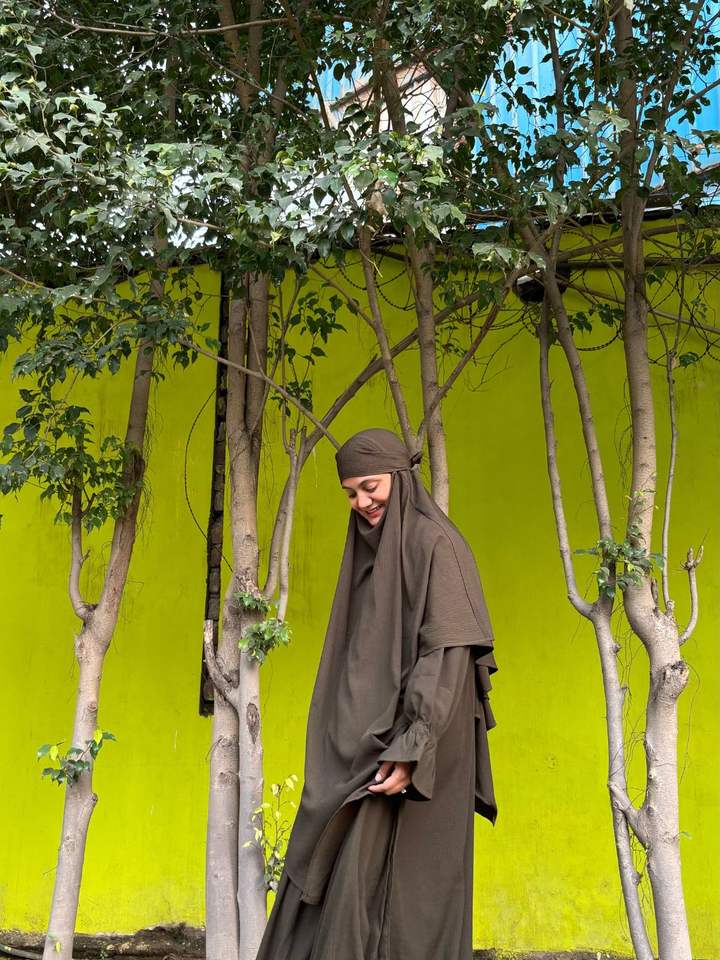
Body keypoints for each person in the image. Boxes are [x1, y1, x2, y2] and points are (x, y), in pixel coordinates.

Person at [255, 427, 498, 960]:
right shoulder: (374, 548)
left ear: (400, 478)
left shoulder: (434, 545)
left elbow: (446, 652)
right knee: (339, 865)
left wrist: (413, 746)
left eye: (370, 487)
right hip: (371, 742)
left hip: (417, 748)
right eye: (350, 493)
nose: (361, 502)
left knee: (404, 893)